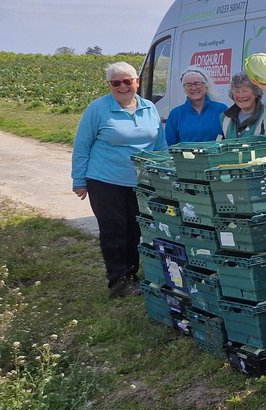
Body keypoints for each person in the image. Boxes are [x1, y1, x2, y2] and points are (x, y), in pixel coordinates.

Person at [71, 62, 166, 297]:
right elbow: (82, 145)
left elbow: (159, 144)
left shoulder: (149, 107)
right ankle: (118, 281)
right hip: (105, 181)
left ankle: (131, 273)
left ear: (137, 82)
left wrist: (164, 173)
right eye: (116, 83)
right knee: (114, 231)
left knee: (134, 229)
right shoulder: (98, 109)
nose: (123, 86)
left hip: (140, 182)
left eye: (127, 81)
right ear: (109, 85)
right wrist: (79, 179)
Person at [164, 67, 225, 145]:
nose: (193, 88)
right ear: (184, 89)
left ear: (206, 86)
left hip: (216, 157)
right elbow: (170, 144)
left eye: (197, 83)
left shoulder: (221, 110)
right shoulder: (175, 114)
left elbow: (229, 139)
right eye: (188, 85)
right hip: (185, 157)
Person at [220, 72, 266, 139]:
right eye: (237, 91)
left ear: (255, 93)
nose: (241, 96)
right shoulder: (225, 118)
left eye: (245, 91)